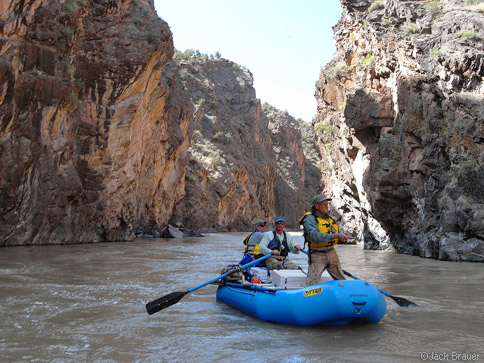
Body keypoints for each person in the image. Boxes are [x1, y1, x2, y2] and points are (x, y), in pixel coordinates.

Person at [300, 194, 350, 286]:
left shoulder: (329, 219)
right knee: (311, 283)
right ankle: (307, 297)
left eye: (327, 204)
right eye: (324, 205)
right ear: (316, 206)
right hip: (317, 254)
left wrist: (342, 237)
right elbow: (316, 236)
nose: (327, 207)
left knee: (342, 279)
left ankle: (347, 295)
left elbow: (334, 234)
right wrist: (336, 236)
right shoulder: (310, 220)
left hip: (332, 253)